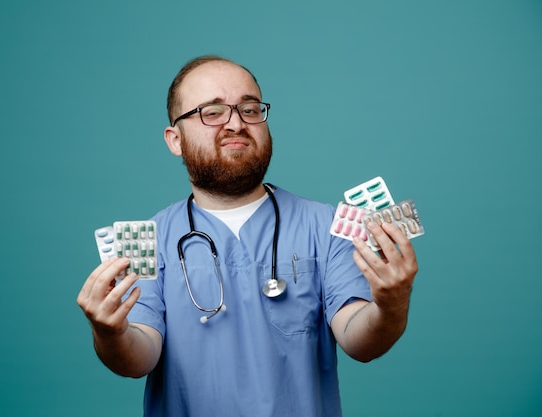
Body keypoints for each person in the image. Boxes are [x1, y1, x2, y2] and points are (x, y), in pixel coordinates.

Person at [77, 55, 419, 417]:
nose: (236, 123)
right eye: (212, 111)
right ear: (175, 139)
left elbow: (359, 339)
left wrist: (391, 303)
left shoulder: (326, 226)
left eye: (250, 109)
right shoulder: (151, 241)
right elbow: (138, 357)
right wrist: (109, 333)